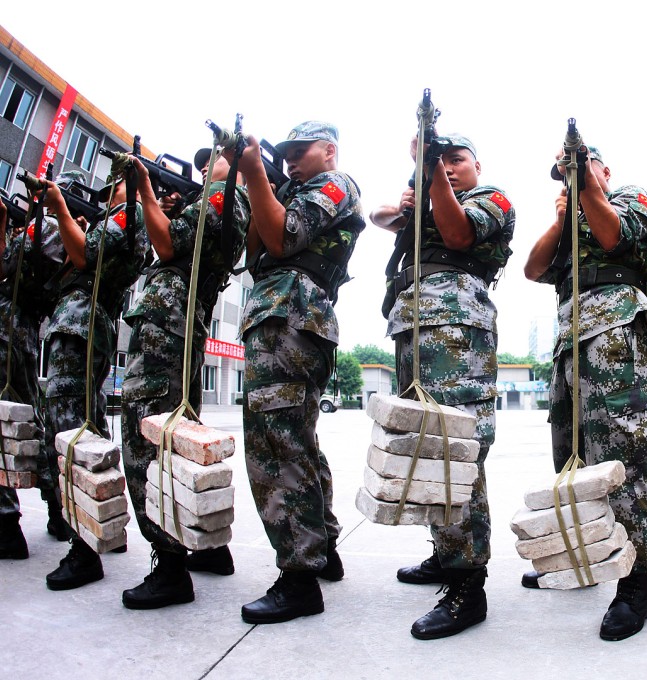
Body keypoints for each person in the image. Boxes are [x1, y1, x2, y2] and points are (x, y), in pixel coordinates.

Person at [370, 133, 513, 640]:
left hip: (455, 327)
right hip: (413, 325)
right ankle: (444, 553)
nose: (448, 169)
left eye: (457, 160)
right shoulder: (425, 201)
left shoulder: (491, 200)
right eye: (440, 161)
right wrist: (410, 200)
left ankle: (467, 584)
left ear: (477, 165)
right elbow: (379, 217)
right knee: (425, 449)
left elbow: (456, 236)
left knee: (456, 451)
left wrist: (428, 180)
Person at [523, 144, 647, 641]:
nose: (572, 178)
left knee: (622, 458)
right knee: (571, 460)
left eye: (582, 169)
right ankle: (586, 552)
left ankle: (637, 579)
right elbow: (533, 268)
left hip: (614, 330)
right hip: (569, 339)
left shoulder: (631, 198)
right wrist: (561, 222)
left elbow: (612, 234)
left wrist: (585, 188)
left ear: (603, 170)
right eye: (564, 174)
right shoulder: (568, 215)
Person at [233, 121, 364, 624]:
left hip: (290, 313)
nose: (289, 160)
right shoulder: (294, 189)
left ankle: (299, 576)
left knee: (274, 446)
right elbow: (254, 250)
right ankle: (321, 548)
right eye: (282, 154)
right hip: (283, 314)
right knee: (295, 440)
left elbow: (283, 238)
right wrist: (256, 181)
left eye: (298, 151)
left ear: (329, 150)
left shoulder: (336, 184)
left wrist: (256, 177)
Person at [118, 148, 250, 609]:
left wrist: (147, 191)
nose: (203, 169)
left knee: (145, 440)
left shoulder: (224, 197)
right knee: (177, 441)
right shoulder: (217, 199)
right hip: (177, 327)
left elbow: (169, 245)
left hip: (167, 328)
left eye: (211, 161)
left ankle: (170, 566)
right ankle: (209, 548)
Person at [40, 171, 150, 590]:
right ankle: (99, 529)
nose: (108, 198)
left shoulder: (128, 216)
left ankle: (84, 549)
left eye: (114, 189)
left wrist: (62, 211)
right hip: (78, 325)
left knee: (74, 435)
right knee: (84, 430)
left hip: (83, 325)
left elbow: (85, 257)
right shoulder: (116, 218)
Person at [0, 175, 70, 559]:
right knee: (30, 426)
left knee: (19, 427)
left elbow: (15, 268)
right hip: (13, 333)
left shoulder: (54, 230)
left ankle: (8, 523)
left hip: (10, 335)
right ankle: (57, 509)